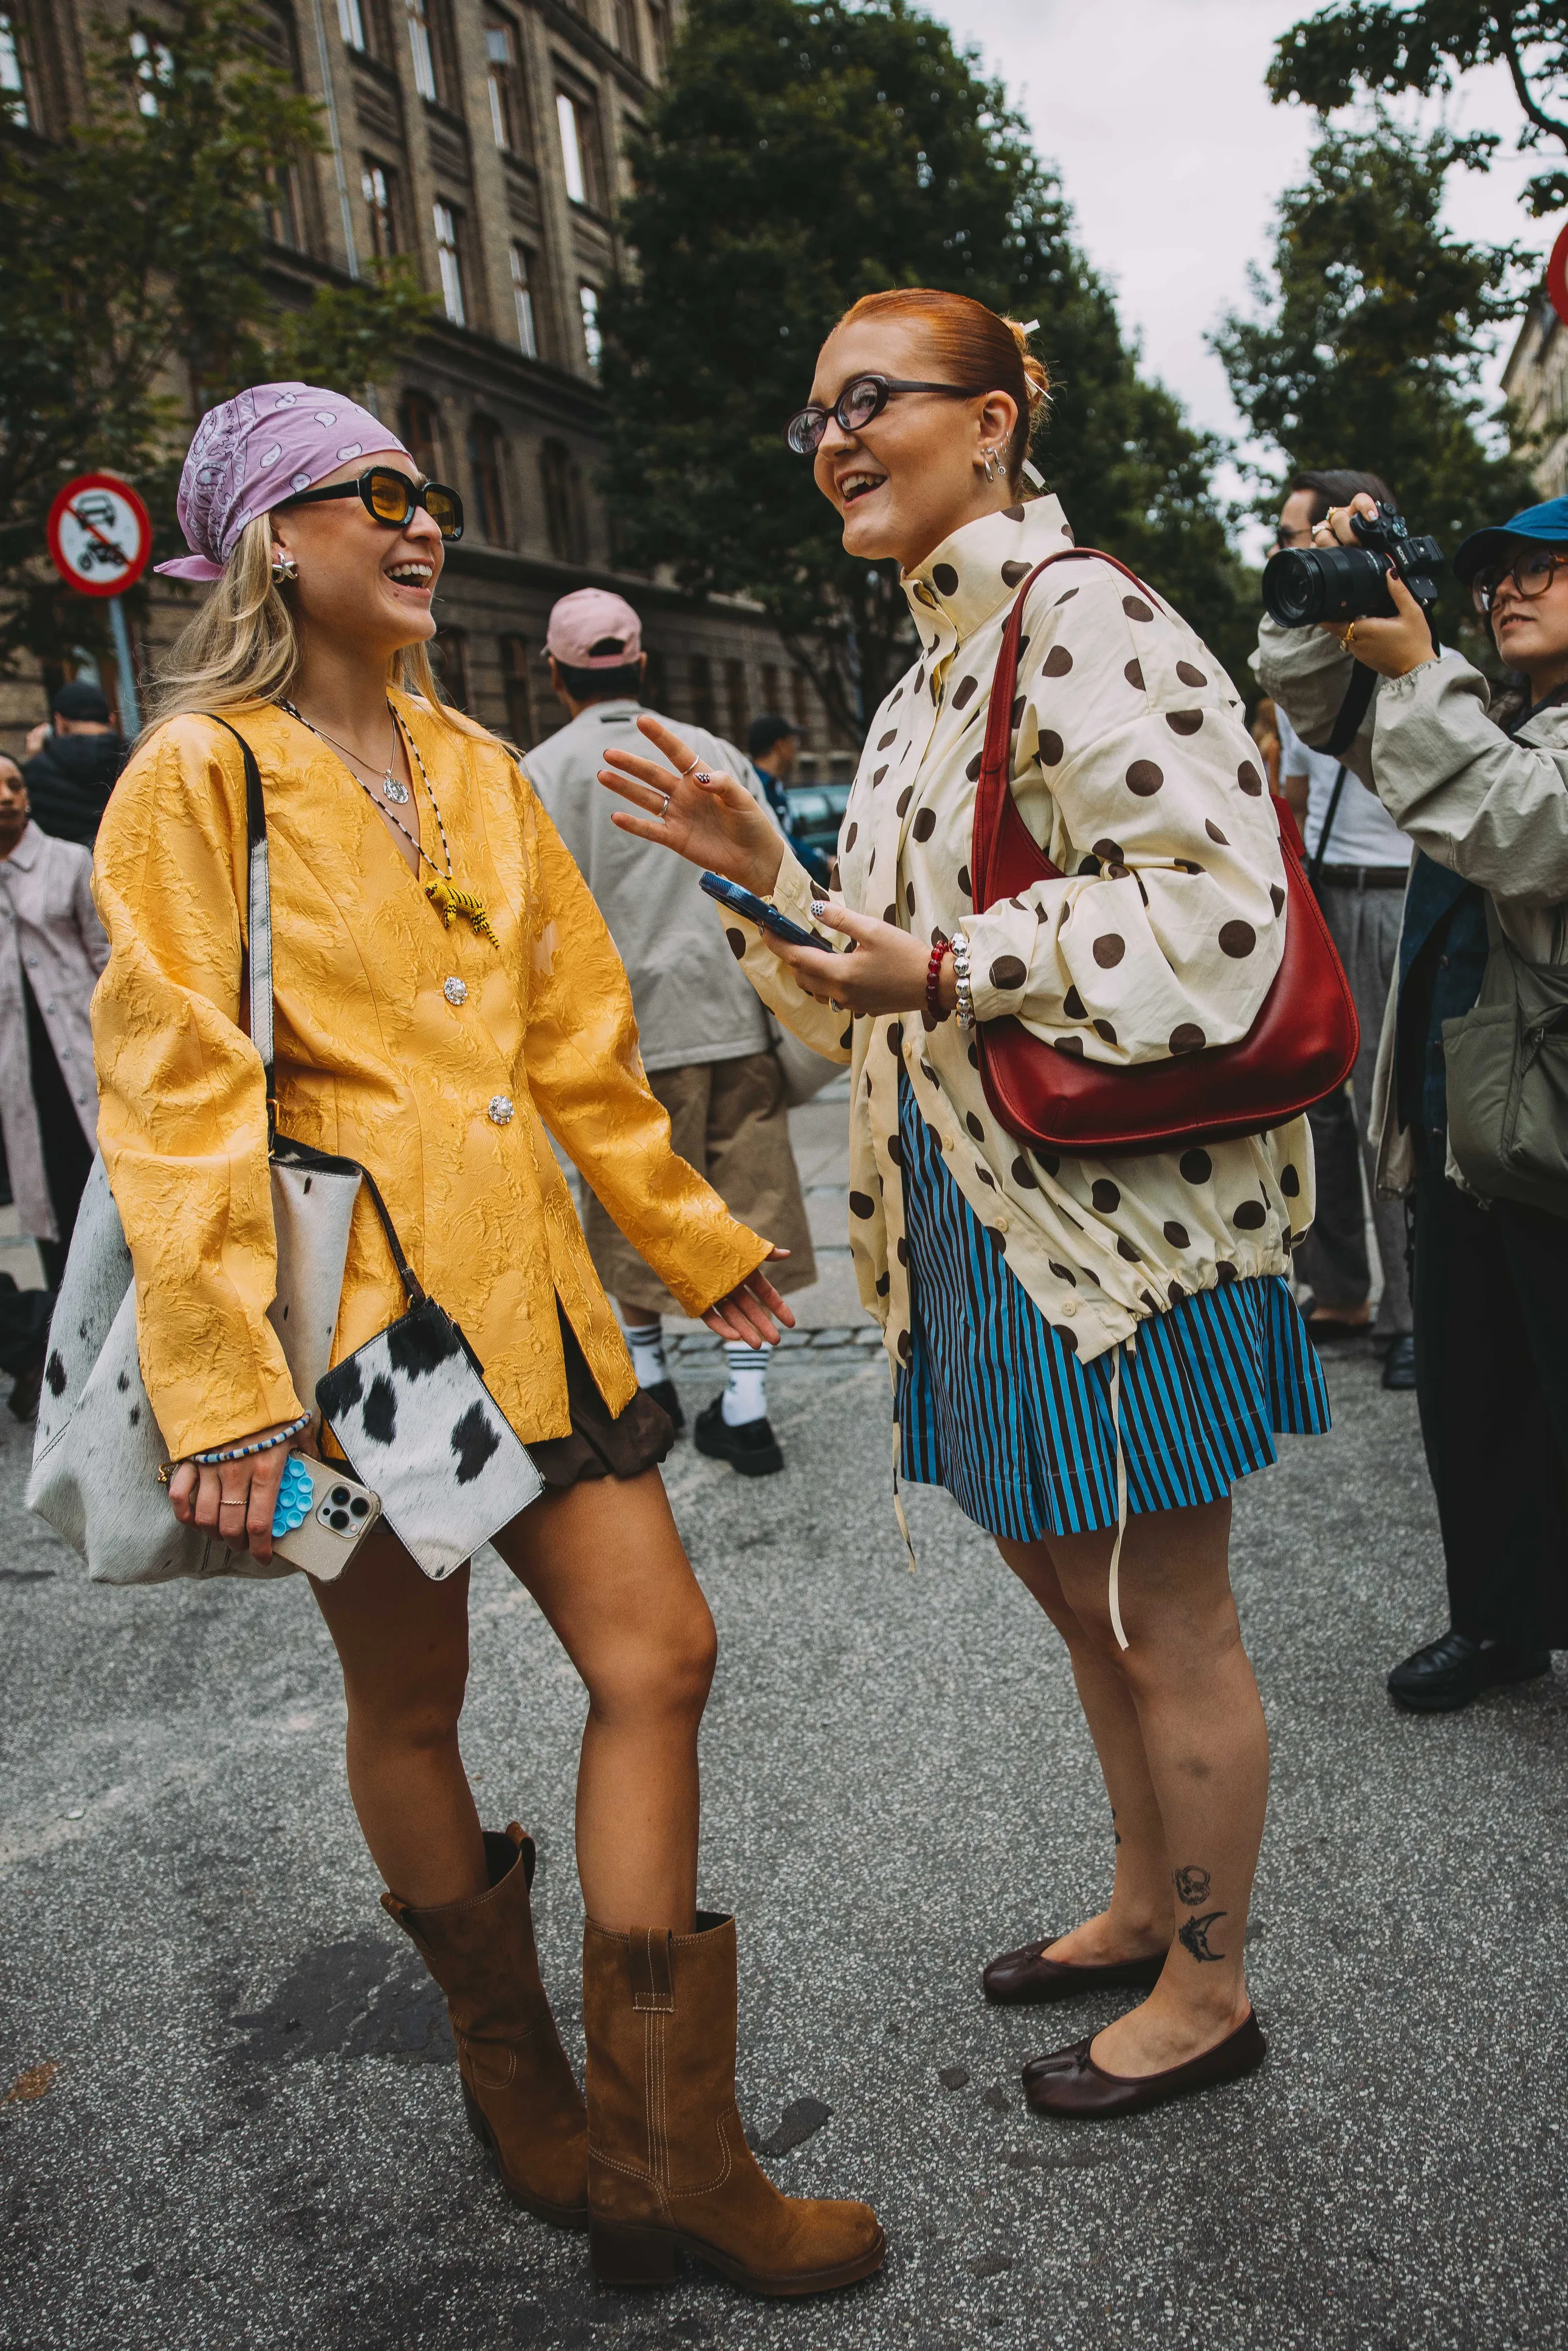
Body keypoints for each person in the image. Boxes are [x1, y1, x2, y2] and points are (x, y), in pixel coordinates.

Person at [88, 382, 882, 2297]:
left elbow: (575, 1050)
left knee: (659, 1652)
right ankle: (507, 2058)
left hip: (529, 1290)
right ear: (277, 536)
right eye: (375, 495)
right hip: (366, 1340)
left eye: (426, 493)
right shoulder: (196, 773)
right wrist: (225, 1384)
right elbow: (173, 1088)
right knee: (415, 1697)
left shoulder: (473, 758)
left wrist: (692, 1242)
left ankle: (661, 2153)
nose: (422, 521)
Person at [600, 288, 1330, 2119]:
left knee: (1168, 1606)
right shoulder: (929, 669)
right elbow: (867, 978)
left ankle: (1209, 1979)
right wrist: (768, 871)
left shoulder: (1083, 614)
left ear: (993, 418)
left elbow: (1211, 915)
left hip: (1117, 1223)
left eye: (873, 401)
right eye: (814, 418)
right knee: (1078, 1597)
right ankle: (1135, 1899)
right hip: (969, 1216)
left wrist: (943, 956)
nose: (834, 438)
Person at [1260, 489, 1568, 1712]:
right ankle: (1499, 1622)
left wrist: (1426, 665)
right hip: (1466, 1117)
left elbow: (1517, 824)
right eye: (1495, 573)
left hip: (1553, 1130)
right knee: (1476, 1391)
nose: (1508, 588)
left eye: (1546, 568)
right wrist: (1327, 598)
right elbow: (1333, 715)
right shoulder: (1495, 714)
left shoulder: (1497, 728)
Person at [526, 590, 816, 1478]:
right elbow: (779, 873)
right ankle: (749, 1406)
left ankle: (653, 1388)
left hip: (623, 1039)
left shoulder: (535, 773)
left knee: (628, 1215)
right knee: (753, 1203)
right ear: (642, 665)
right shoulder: (711, 752)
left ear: (555, 673)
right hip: (731, 1014)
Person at [1270, 470, 1415, 1389]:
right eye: (1285, 534)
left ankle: (1410, 1315)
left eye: (1309, 531)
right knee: (1318, 1101)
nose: (1291, 549)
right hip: (1319, 891)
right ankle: (1341, 1291)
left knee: (1385, 1113)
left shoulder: (1396, 634)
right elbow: (1291, 787)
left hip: (1390, 890)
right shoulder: (1300, 644)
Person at [0, 751, 108, 1415]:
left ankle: (96, 1358)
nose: (8, 796)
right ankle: (58, 1357)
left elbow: (108, 956)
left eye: (14, 783)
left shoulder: (70, 862)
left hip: (82, 1063)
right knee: (52, 1230)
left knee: (100, 1216)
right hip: (21, 1081)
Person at [22, 680, 128, 847]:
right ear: (111, 719)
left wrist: (33, 762)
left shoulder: (38, 770)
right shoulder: (139, 756)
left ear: (60, 721)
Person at [749, 710, 827, 886]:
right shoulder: (757, 788)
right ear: (779, 746)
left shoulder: (774, 785)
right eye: (791, 741)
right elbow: (778, 838)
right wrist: (821, 860)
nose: (795, 748)